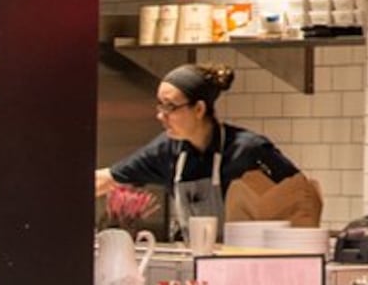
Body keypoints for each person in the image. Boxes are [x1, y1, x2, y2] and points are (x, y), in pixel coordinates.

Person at [96, 63, 315, 235]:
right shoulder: (166, 150)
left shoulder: (248, 150)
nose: (161, 115)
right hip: (197, 263)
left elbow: (301, 197)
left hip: (249, 262)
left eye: (169, 107)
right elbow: (106, 180)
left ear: (199, 109)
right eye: (160, 105)